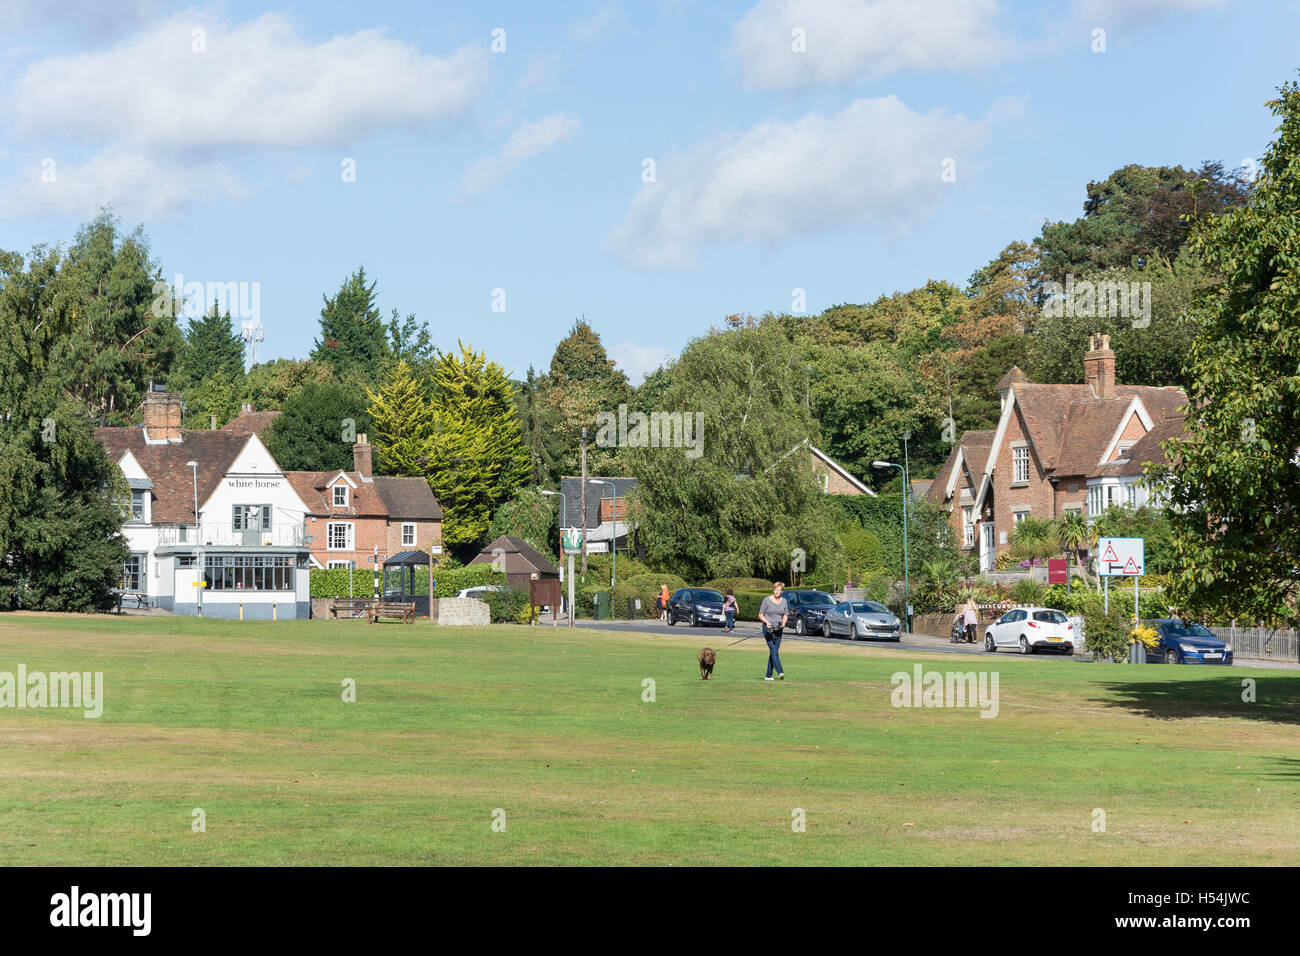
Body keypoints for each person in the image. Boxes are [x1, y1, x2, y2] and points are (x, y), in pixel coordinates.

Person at [758, 581, 789, 680]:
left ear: (782, 591)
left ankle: (768, 675)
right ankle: (780, 672)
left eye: (778, 590)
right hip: (768, 628)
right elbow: (760, 614)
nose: (776, 592)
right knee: (773, 650)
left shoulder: (784, 601)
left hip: (778, 629)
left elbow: (785, 614)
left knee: (774, 651)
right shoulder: (766, 600)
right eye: (775, 590)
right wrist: (767, 622)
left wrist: (783, 623)